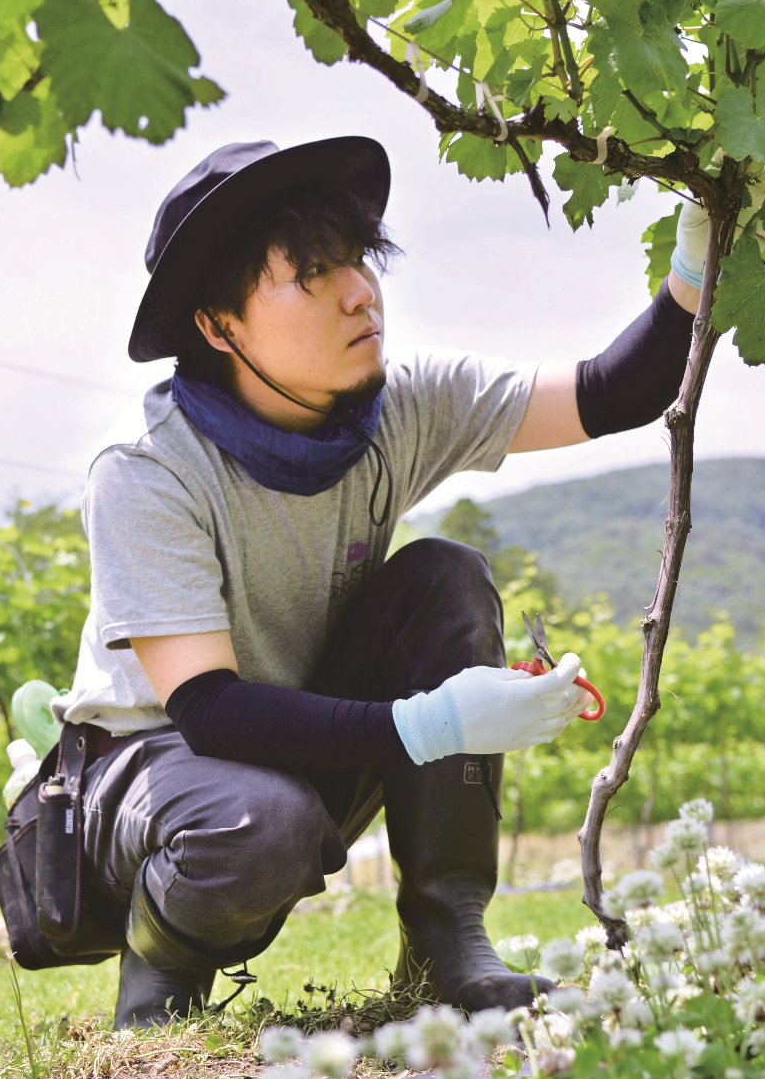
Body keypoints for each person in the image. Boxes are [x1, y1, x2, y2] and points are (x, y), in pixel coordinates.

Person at [50, 136, 707, 1028]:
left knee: (445, 575)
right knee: (259, 823)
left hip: (301, 737)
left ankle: (449, 944)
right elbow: (206, 706)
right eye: (313, 271)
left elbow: (613, 390)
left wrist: (693, 263)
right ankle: (160, 973)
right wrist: (435, 723)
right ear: (218, 323)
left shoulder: (397, 406)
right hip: (157, 768)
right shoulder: (147, 469)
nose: (360, 290)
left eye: (358, 258)